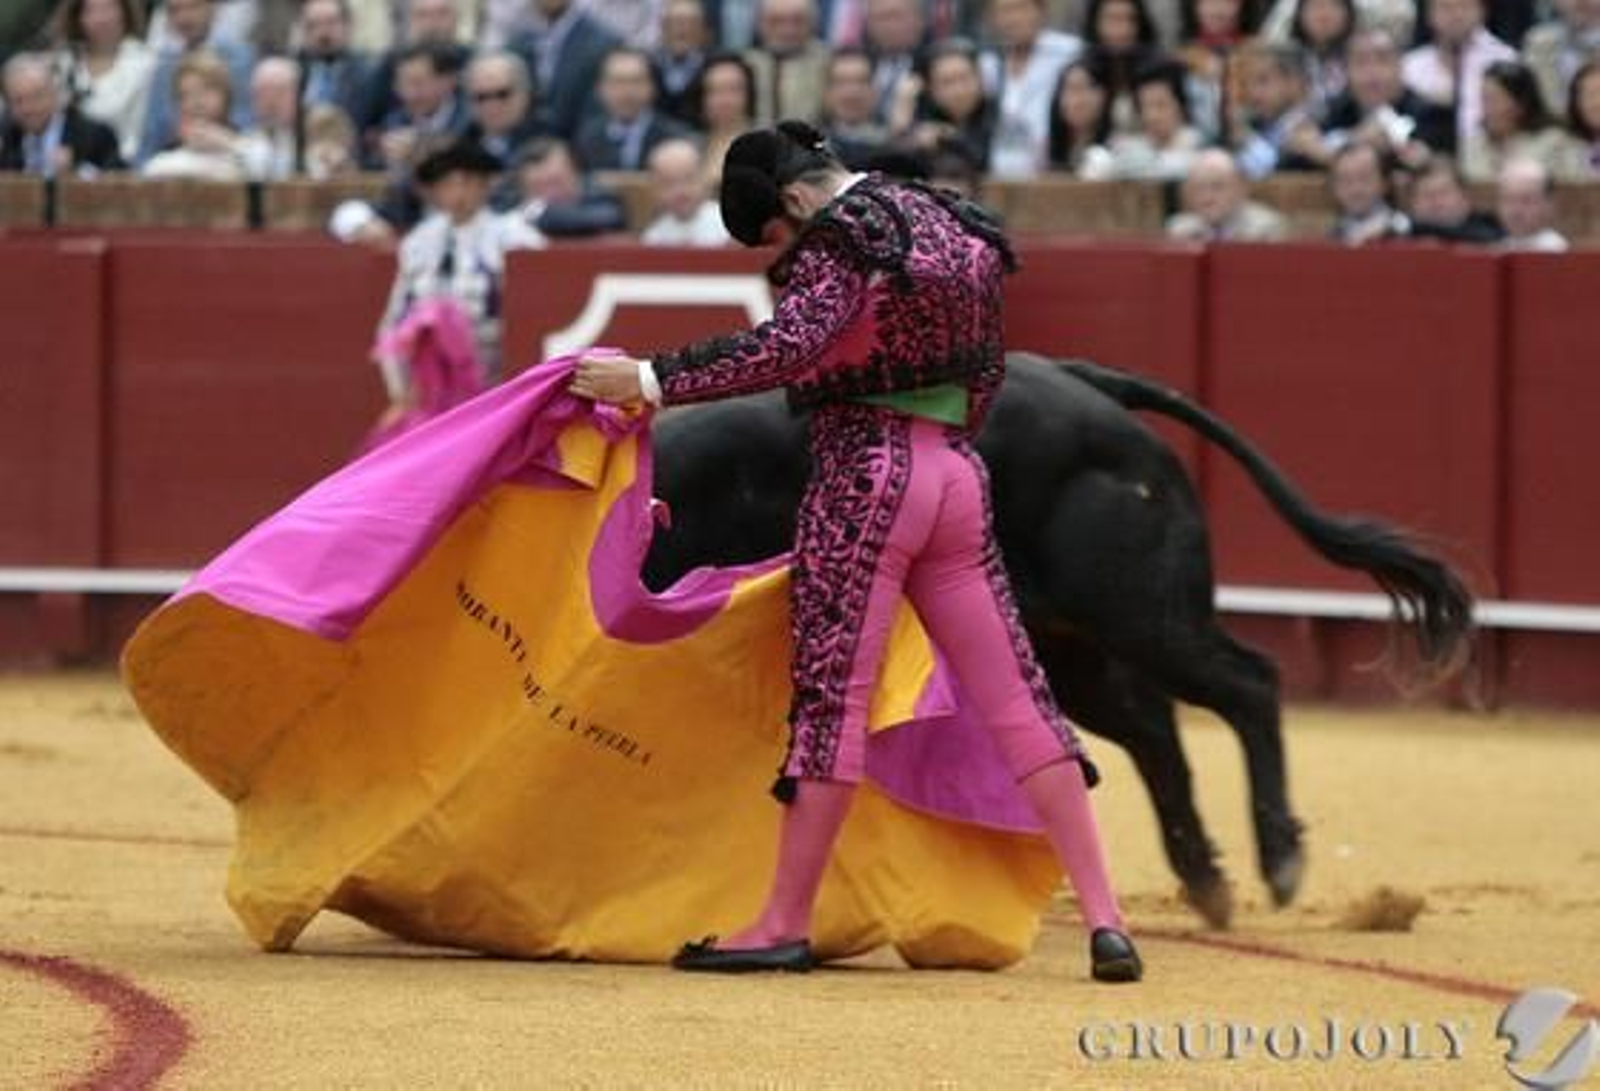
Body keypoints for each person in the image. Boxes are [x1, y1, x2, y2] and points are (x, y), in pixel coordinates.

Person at [569, 120, 1142, 983]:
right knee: (1017, 692)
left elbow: (790, 345)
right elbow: (985, 367)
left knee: (833, 700)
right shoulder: (951, 220)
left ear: (796, 200)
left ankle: (781, 923)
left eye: (778, 236)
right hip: (956, 473)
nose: (788, 252)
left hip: (864, 477)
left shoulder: (843, 233)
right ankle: (1107, 920)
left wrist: (652, 380)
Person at [375, 136, 545, 401]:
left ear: (484, 185)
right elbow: (395, 321)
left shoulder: (513, 236)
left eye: (466, 181)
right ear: (434, 191)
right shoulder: (420, 242)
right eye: (447, 183)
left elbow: (533, 316)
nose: (458, 192)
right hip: (431, 384)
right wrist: (400, 390)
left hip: (496, 379)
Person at [60, 0, 157, 164]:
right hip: (70, 165)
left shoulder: (146, 63)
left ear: (124, 12)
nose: (100, 19)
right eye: (90, 11)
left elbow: (143, 133)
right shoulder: (64, 63)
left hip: (123, 166)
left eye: (108, 9)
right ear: (78, 17)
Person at [1, 51, 126, 176]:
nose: (28, 108)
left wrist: (77, 170)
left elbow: (121, 181)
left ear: (55, 94)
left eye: (37, 97)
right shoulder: (7, 139)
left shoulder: (95, 135)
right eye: (18, 101)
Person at [1166, 145, 1289, 238]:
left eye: (1217, 187)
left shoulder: (1266, 229)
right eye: (1199, 188)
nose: (1207, 197)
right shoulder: (1180, 231)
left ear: (1240, 189)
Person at [639, 136, 730, 243]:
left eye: (689, 179)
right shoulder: (654, 237)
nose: (681, 191)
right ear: (655, 190)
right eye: (669, 184)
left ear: (704, 179)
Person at [1326, 140, 1407, 243]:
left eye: (1365, 178)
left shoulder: (1408, 231)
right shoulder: (1330, 239)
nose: (1356, 189)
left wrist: (1393, 226)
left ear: (1384, 182)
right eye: (1346, 180)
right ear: (1334, 187)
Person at [1494, 156, 1569, 251]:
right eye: (1509, 200)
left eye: (1526, 200)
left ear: (1548, 204)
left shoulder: (1556, 252)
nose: (1516, 210)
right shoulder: (1499, 249)